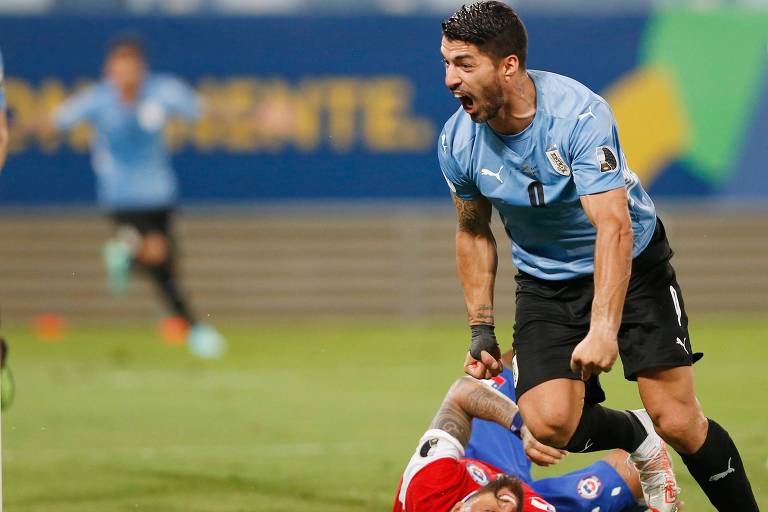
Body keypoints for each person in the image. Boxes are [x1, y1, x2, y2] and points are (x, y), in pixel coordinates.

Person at [437, 3, 758, 512]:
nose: (451, 79)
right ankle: (639, 436)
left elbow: (613, 226)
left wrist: (604, 327)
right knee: (548, 424)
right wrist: (481, 329)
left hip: (632, 267)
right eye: (447, 64)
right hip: (547, 280)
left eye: (464, 64)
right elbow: (473, 232)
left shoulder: (578, 116)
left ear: (508, 65)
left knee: (678, 418)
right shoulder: (457, 141)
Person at [50, 36, 224, 358]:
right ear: (109, 70)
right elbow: (53, 120)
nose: (127, 75)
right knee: (158, 254)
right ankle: (195, 327)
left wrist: (254, 115)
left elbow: (204, 111)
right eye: (120, 68)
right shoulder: (96, 100)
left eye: (132, 67)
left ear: (142, 69)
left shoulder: (162, 92)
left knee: (166, 268)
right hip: (121, 196)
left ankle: (129, 258)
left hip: (159, 193)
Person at [394, 356, 655, 512]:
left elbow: (462, 394)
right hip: (520, 491)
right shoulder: (523, 506)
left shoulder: (430, 486)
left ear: (459, 508)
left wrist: (523, 425)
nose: (506, 506)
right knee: (636, 474)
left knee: (503, 371)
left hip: (480, 465)